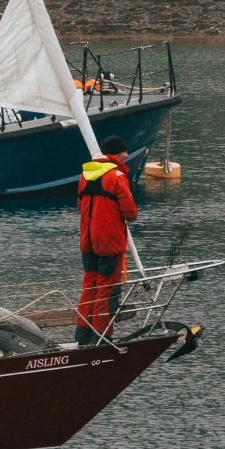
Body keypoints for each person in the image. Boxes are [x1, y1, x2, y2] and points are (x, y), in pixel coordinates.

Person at [75, 140, 138, 345]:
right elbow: (130, 212)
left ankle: (83, 338)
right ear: (116, 154)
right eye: (124, 151)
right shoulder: (117, 176)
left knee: (89, 288)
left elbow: (80, 206)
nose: (127, 155)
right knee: (106, 292)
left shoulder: (84, 176)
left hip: (88, 242)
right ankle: (102, 339)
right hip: (108, 243)